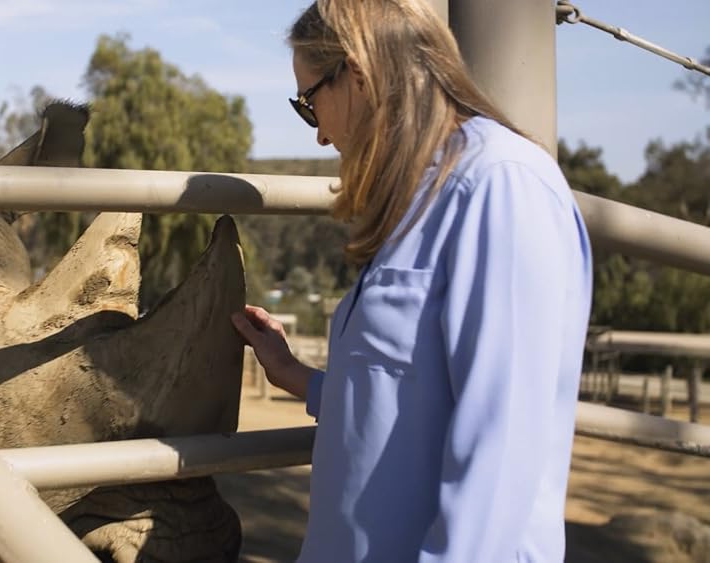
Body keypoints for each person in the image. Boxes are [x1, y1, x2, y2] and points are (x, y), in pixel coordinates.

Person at [230, 1, 593, 561]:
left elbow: (501, 454)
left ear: (357, 74)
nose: (320, 135)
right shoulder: (422, 196)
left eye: (309, 103)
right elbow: (408, 397)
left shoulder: (500, 186)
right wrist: (299, 377)